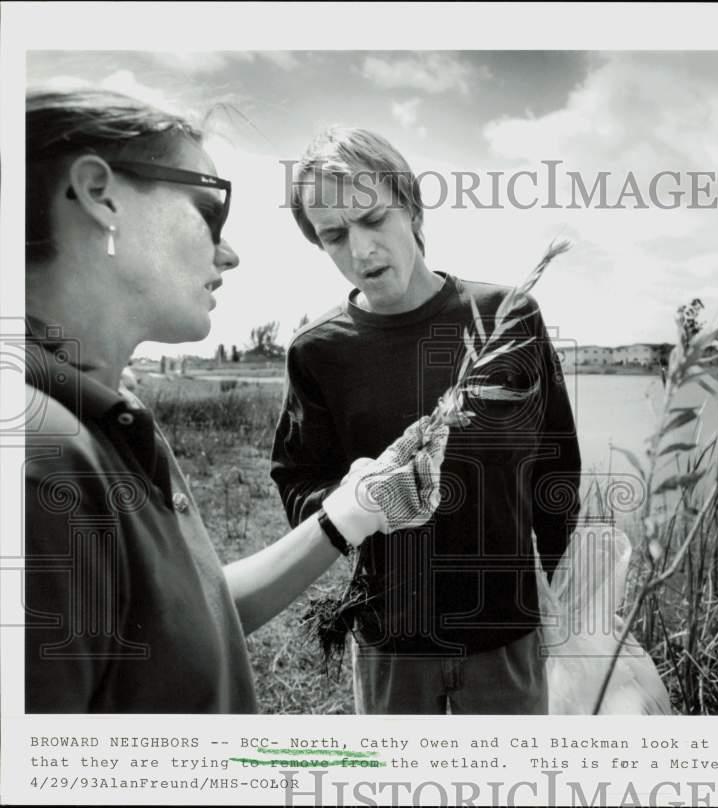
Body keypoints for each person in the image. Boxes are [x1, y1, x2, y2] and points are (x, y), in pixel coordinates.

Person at [22, 89, 447, 713]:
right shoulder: (37, 459)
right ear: (100, 196)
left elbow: (195, 614)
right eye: (208, 208)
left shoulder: (104, 420)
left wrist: (348, 514)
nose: (230, 252)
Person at [272, 126, 582, 714]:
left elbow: (557, 462)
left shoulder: (508, 317)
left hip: (507, 632)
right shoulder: (318, 351)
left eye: (372, 219)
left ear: (411, 208)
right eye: (334, 235)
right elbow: (296, 481)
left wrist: (556, 580)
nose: (360, 251)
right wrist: (356, 500)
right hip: (392, 640)